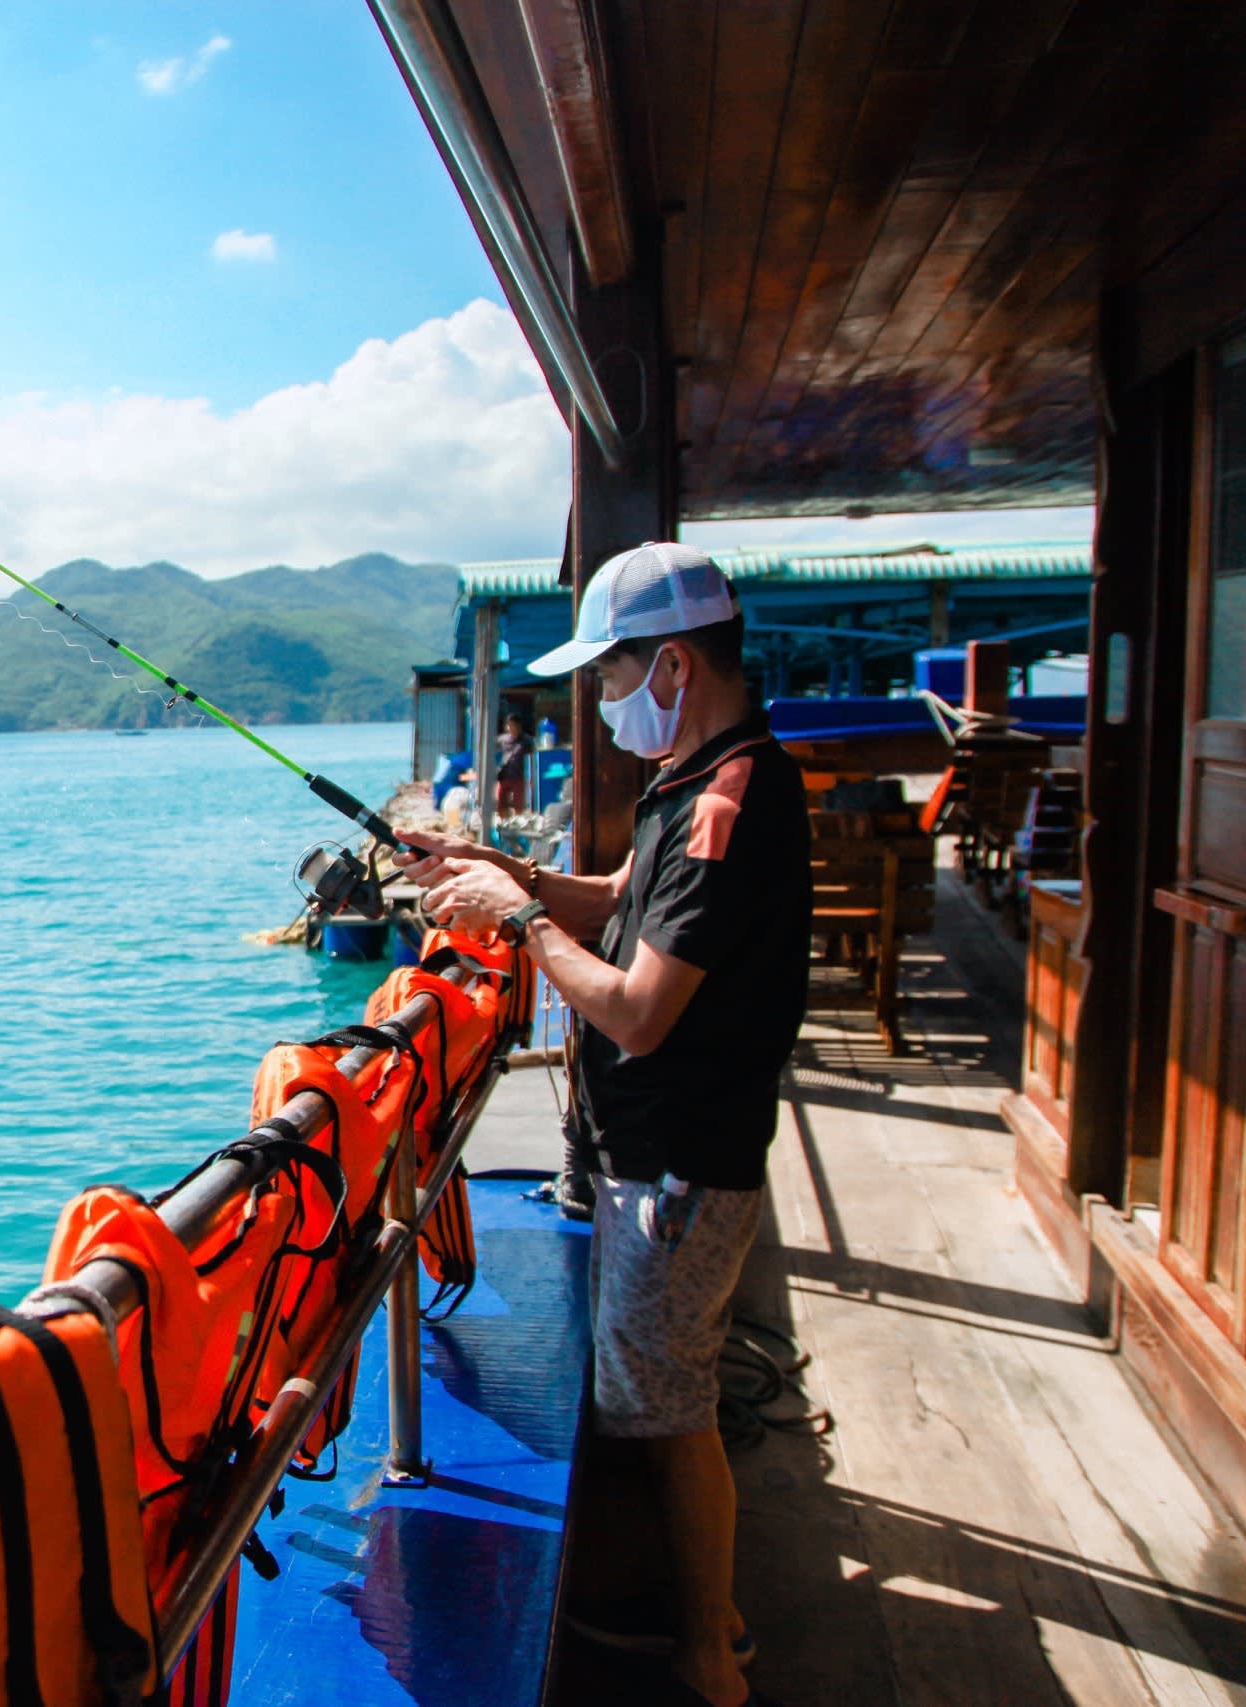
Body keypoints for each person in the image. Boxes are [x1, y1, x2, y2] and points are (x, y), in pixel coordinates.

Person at [395, 541, 810, 1707]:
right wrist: (498, 869)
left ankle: (709, 1656)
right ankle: (704, 1616)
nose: (605, 699)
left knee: (669, 1415)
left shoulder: (727, 805)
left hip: (679, 1164)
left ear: (670, 665)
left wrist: (520, 922)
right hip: (658, 1155)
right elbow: (622, 902)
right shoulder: (695, 779)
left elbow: (635, 1011)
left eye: (611, 674)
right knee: (653, 1398)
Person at [494, 712, 533, 816]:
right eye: (509, 725)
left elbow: (532, 758)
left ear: (519, 726)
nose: (511, 728)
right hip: (504, 776)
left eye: (513, 725)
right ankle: (503, 820)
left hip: (519, 776)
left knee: (518, 803)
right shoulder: (502, 740)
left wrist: (530, 777)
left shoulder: (526, 741)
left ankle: (517, 819)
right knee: (501, 802)